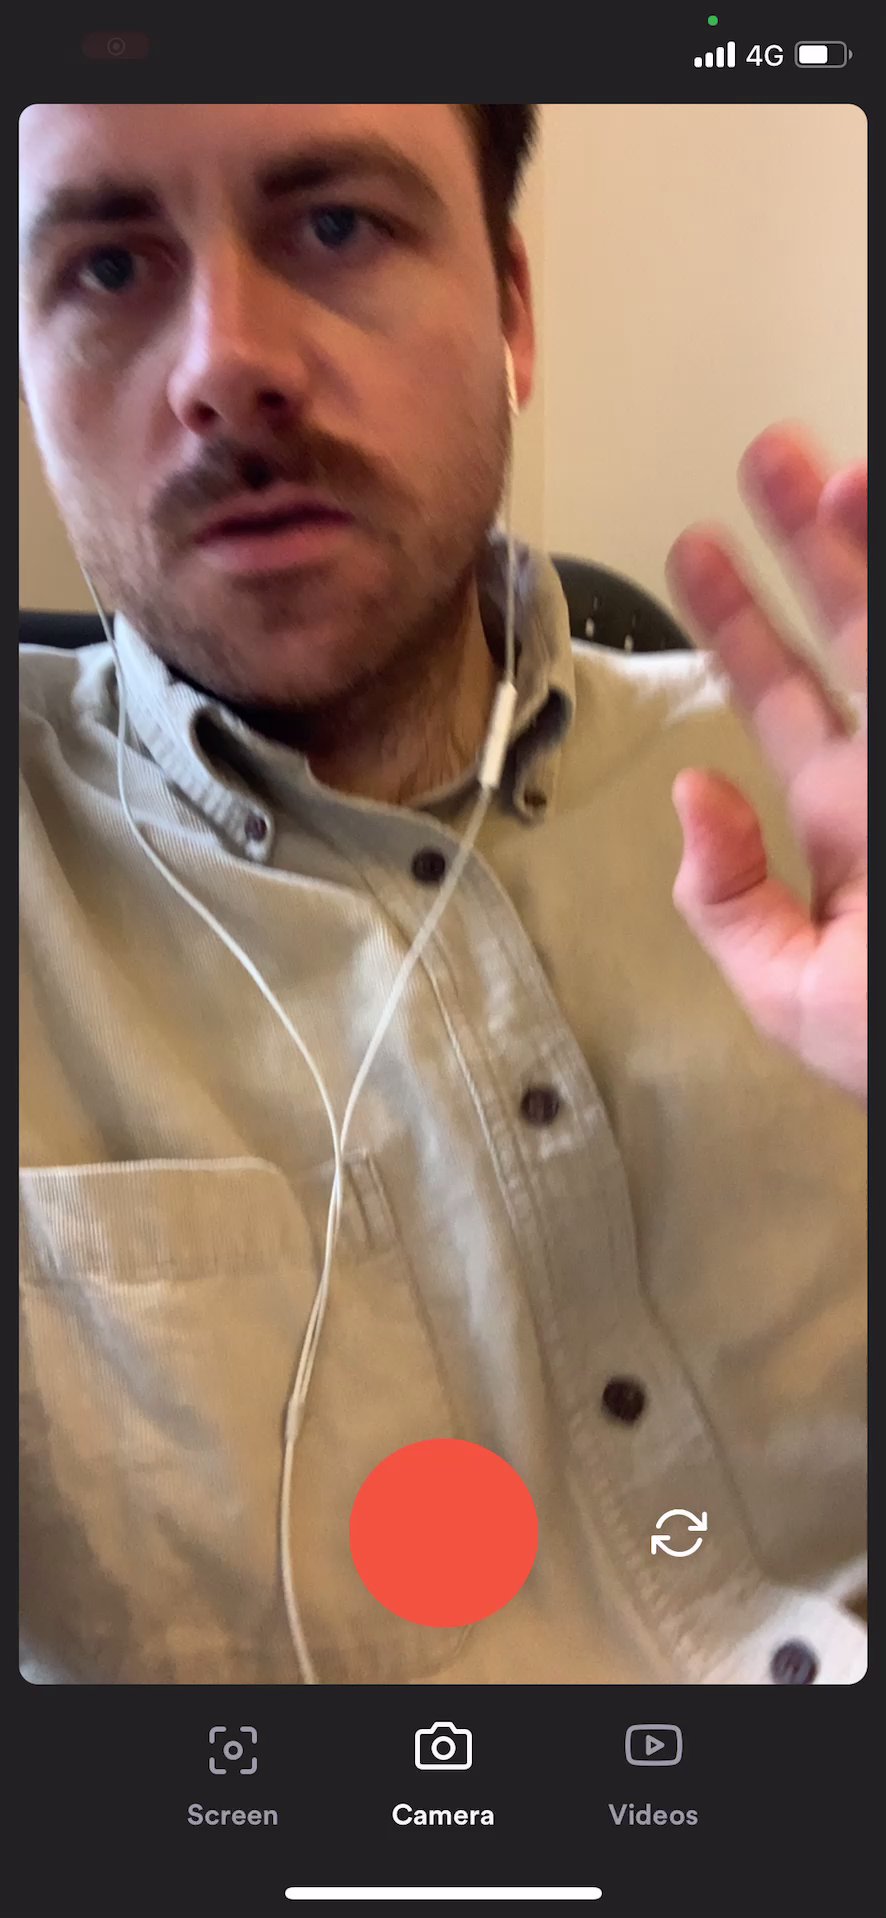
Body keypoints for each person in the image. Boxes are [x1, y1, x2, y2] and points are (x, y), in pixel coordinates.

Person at [18, 103, 866, 1686]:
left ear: (514, 314)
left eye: (336, 224)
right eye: (110, 266)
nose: (227, 365)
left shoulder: (825, 802)